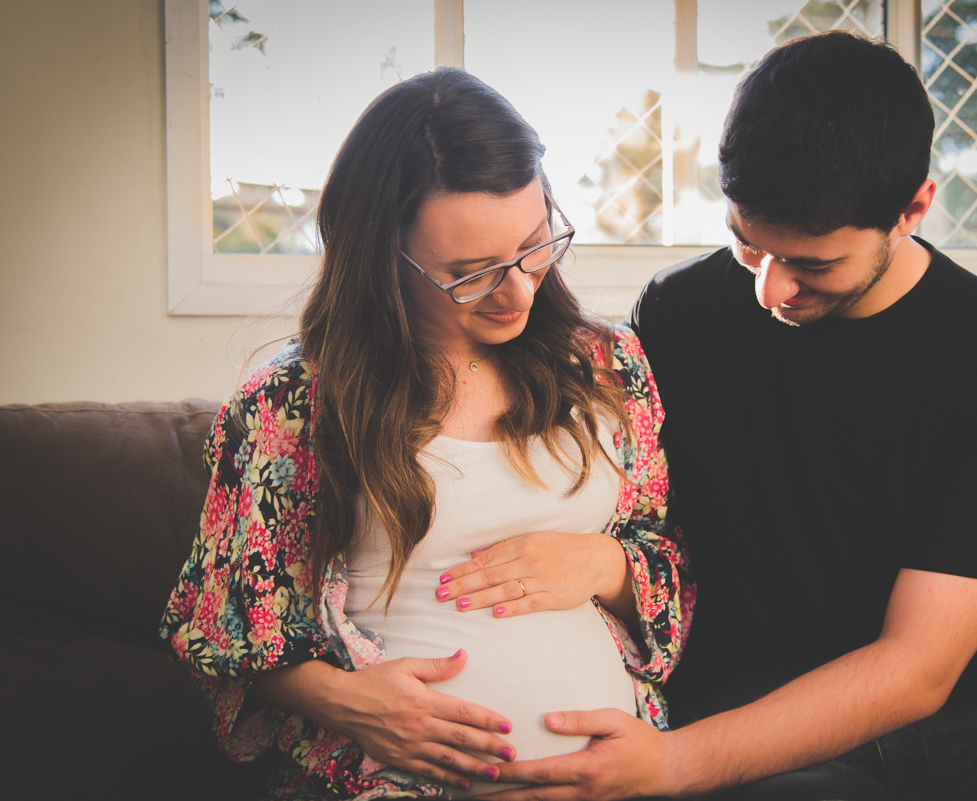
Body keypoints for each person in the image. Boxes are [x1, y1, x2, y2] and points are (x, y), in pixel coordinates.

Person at [480, 31, 977, 801]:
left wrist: (670, 765)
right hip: (733, 719)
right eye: (746, 245)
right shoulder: (678, 312)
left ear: (913, 208)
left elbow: (916, 669)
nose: (771, 290)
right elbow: (628, 523)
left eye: (813, 265)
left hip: (959, 726)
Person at [159, 68, 692, 800]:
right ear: (384, 258)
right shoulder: (293, 403)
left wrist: (607, 565)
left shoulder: (609, 366)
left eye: (536, 245)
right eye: (470, 273)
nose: (521, 292)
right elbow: (224, 630)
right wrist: (347, 700)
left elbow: (671, 560)